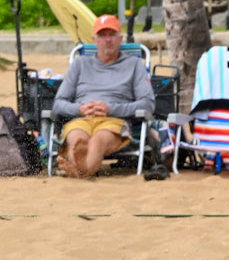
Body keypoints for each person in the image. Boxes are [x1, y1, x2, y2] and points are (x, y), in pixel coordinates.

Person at [51, 16, 156, 178]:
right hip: (81, 118)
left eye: (111, 34)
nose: (107, 40)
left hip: (114, 121)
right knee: (76, 140)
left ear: (120, 38)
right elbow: (58, 103)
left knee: (97, 142)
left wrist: (110, 109)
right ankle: (80, 169)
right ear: (94, 39)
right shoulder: (79, 64)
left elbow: (148, 104)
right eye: (102, 35)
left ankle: (77, 171)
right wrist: (80, 109)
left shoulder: (134, 64)